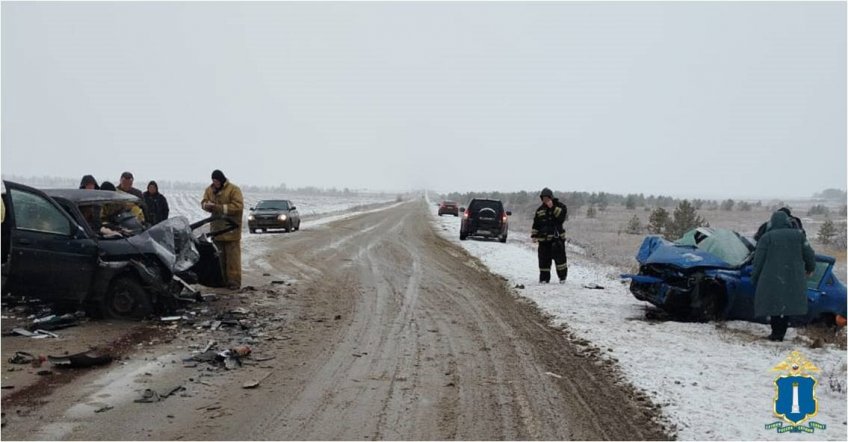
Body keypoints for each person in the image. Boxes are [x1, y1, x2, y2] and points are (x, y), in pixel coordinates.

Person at [752, 210, 816, 341]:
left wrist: (755, 277)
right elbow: (809, 254)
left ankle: (776, 333)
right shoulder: (799, 236)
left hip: (772, 278)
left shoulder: (767, 237)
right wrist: (810, 268)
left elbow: (758, 261)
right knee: (785, 306)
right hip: (793, 277)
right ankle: (781, 333)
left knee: (775, 305)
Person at [201, 169, 244, 290]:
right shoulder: (209, 190)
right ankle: (221, 281)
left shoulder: (233, 190)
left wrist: (218, 207)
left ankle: (234, 282)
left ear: (222, 179)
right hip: (217, 230)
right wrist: (206, 206)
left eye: (217, 180)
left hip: (231, 229)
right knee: (219, 259)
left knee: (232, 259)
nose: (215, 183)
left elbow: (238, 206)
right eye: (213, 181)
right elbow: (203, 202)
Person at [531, 187, 568, 284]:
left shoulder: (560, 206)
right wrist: (534, 235)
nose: (545, 200)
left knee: (560, 260)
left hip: (557, 239)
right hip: (543, 240)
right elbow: (536, 223)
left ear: (551, 197)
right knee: (543, 261)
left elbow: (562, 217)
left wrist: (553, 208)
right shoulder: (540, 210)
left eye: (547, 198)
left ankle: (562, 277)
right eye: (543, 198)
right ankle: (544, 279)